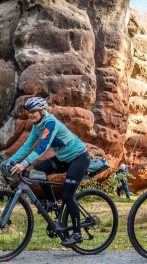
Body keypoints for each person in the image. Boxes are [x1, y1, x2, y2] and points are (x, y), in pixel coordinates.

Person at [7, 97, 90, 247]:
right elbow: (27, 146)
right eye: (28, 112)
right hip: (64, 159)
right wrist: (7, 162)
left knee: (67, 194)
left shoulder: (50, 122)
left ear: (42, 111)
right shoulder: (36, 126)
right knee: (39, 171)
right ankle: (53, 204)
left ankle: (77, 233)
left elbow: (43, 147)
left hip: (79, 158)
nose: (30, 114)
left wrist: (24, 164)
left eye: (33, 111)